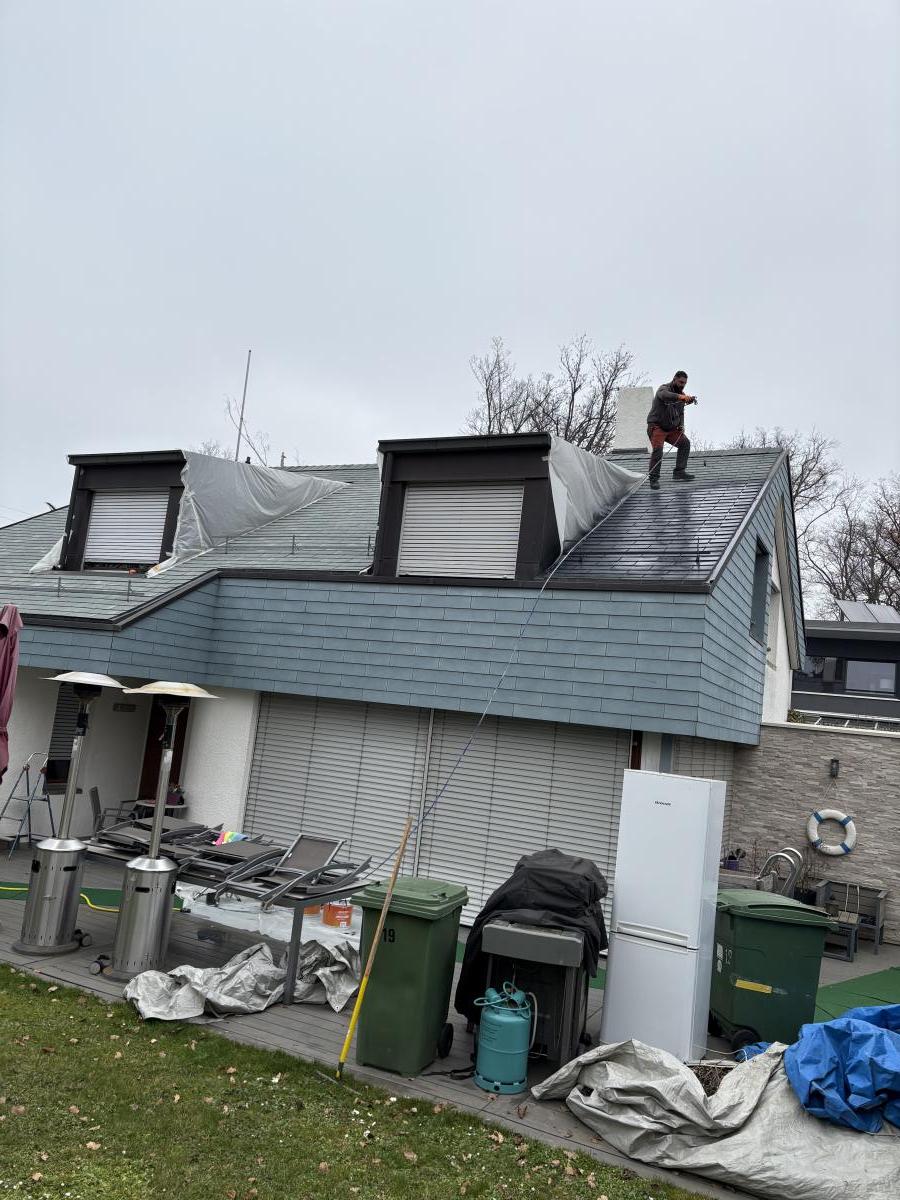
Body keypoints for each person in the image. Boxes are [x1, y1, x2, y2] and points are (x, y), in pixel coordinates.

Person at [646, 371, 697, 490]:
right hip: (657, 427)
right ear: (674, 379)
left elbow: (681, 413)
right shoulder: (663, 389)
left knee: (685, 443)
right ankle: (653, 479)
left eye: (684, 383)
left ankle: (679, 472)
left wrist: (681, 425)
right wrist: (681, 397)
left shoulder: (682, 395)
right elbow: (665, 396)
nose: (682, 385)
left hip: (671, 428)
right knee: (658, 451)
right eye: (680, 382)